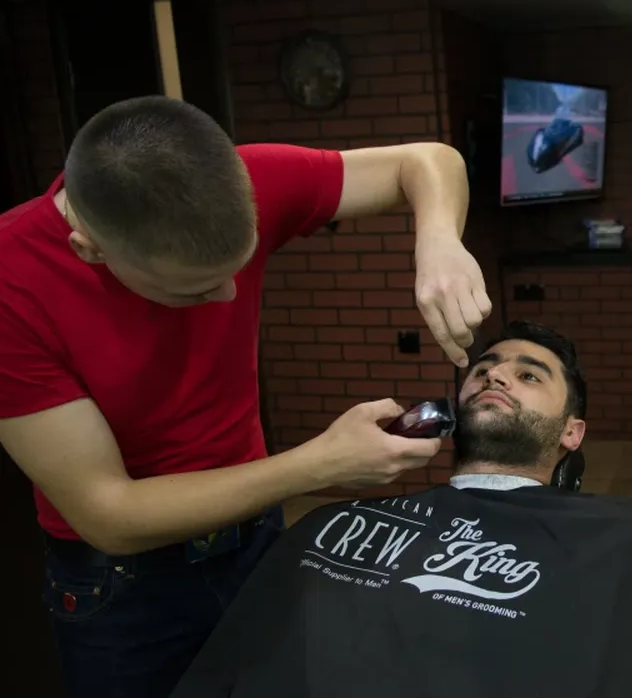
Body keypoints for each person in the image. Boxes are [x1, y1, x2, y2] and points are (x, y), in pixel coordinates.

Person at [0, 96, 492, 697]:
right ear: (91, 250)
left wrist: (438, 241)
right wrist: (320, 465)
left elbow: (428, 160)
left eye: (240, 264)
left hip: (255, 538)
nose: (230, 297)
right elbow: (109, 513)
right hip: (124, 590)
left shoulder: (254, 176)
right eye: (196, 290)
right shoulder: (10, 284)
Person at [168, 321, 632, 698]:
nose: (495, 378)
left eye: (529, 376)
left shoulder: (630, 539)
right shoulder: (334, 522)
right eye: (484, 370)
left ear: (571, 432)